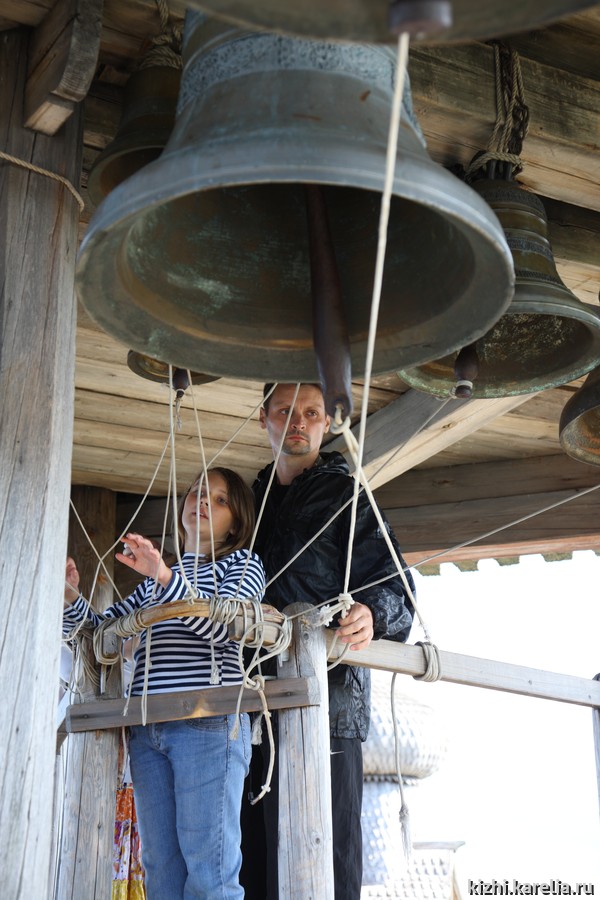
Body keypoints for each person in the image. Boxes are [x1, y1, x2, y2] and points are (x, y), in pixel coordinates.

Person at [240, 382, 415, 900]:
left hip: (329, 708)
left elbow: (399, 590)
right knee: (254, 866)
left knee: (326, 861)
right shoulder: (252, 506)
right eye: (285, 410)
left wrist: (371, 615)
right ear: (264, 419)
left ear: (327, 423)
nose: (298, 421)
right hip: (248, 709)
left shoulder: (347, 496)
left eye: (312, 412)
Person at [63, 467, 266, 900]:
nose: (202, 501)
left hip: (209, 724)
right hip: (147, 730)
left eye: (219, 499)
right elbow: (103, 637)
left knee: (210, 877)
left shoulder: (243, 564)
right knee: (162, 877)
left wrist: (163, 575)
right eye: (196, 492)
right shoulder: (160, 582)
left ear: (238, 521)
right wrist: (70, 599)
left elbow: (224, 627)